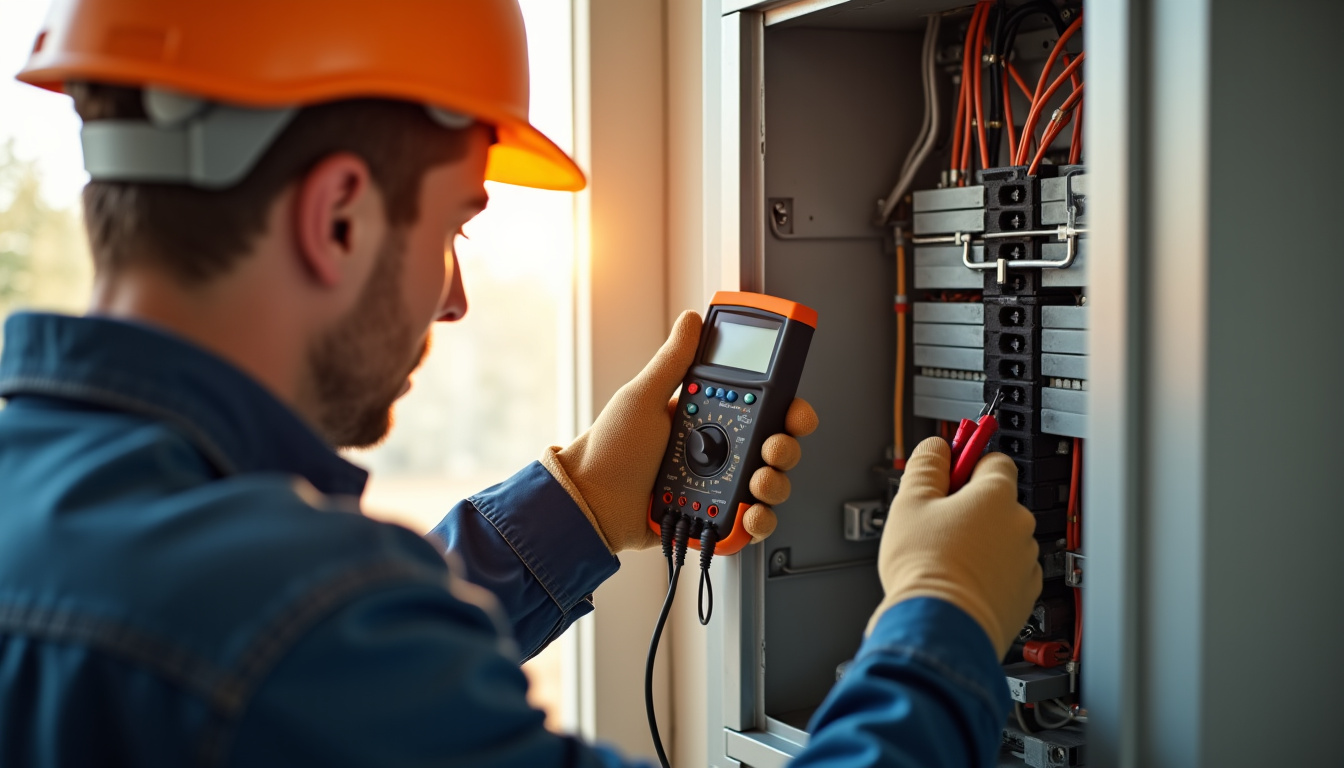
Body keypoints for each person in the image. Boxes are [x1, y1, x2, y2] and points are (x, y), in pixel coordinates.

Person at [0, 2, 1041, 766]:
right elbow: (299, 653)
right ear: (340, 218)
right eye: (454, 226)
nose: (451, 301)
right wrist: (942, 613)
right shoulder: (282, 620)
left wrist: (584, 499)